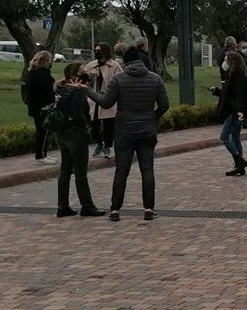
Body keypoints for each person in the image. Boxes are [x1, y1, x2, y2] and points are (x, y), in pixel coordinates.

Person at [82, 46, 169, 220]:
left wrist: (87, 90)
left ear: (125, 61)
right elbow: (165, 106)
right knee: (147, 169)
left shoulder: (118, 79)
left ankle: (115, 210)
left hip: (124, 129)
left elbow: (106, 103)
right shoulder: (155, 79)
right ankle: (149, 209)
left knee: (121, 170)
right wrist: (152, 118)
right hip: (147, 128)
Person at [52, 64, 105, 217]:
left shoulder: (61, 89)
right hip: (76, 133)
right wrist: (85, 128)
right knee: (80, 171)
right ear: (74, 76)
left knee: (65, 169)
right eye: (83, 73)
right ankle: (87, 205)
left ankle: (62, 206)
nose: (86, 76)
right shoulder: (77, 91)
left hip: (62, 132)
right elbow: (77, 112)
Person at [213, 48, 247, 175]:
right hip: (235, 109)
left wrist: (240, 111)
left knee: (224, 137)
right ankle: (239, 166)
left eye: (226, 60)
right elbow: (228, 94)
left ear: (233, 61)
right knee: (235, 138)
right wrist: (217, 91)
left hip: (234, 111)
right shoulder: (233, 74)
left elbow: (239, 95)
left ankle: (239, 160)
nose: (224, 62)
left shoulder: (238, 76)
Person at [81, 43, 124, 157]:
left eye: (99, 51)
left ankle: (108, 147)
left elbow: (119, 81)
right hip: (94, 99)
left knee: (108, 125)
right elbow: (83, 81)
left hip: (108, 98)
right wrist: (90, 77)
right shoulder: (91, 65)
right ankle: (99, 144)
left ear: (105, 52)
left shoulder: (114, 66)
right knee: (94, 124)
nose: (97, 53)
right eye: (95, 50)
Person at [24, 50, 58, 165]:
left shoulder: (32, 74)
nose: (50, 63)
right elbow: (48, 92)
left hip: (35, 107)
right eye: (49, 61)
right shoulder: (43, 75)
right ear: (45, 61)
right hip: (42, 108)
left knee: (42, 131)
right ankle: (40, 155)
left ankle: (43, 153)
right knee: (43, 131)